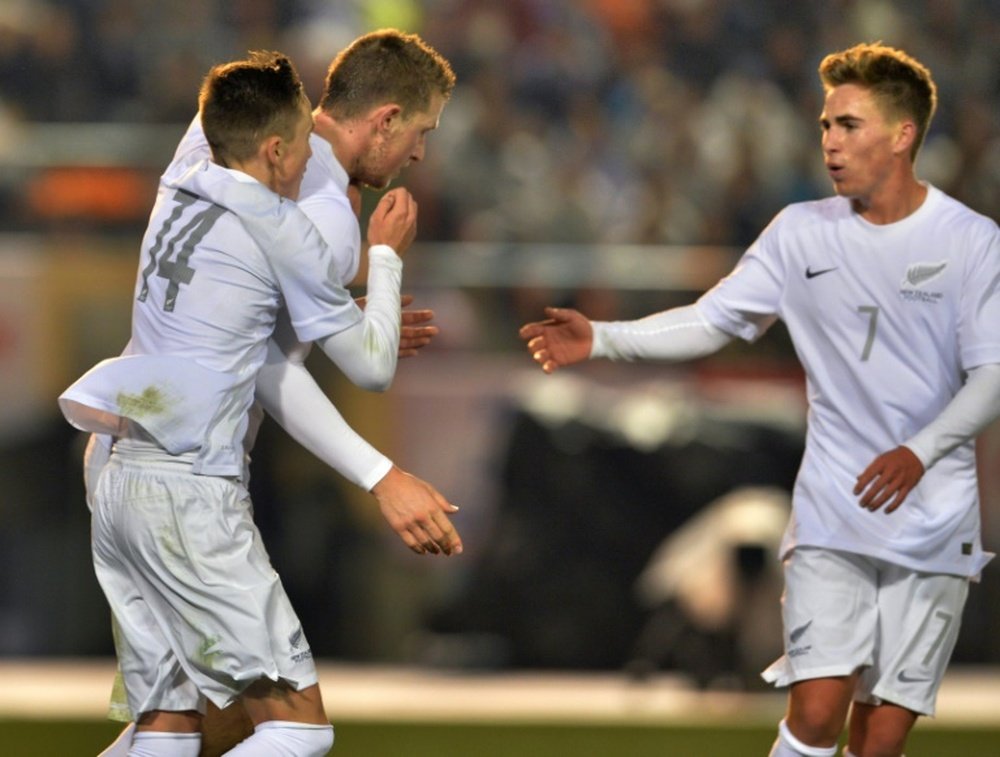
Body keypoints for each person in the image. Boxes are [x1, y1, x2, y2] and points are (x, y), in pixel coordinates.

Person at [519, 42, 1000, 757]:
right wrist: (606, 339)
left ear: (903, 136)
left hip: (934, 520)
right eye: (826, 125)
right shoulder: (799, 232)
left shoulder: (969, 240)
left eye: (850, 125)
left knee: (881, 740)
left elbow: (992, 374)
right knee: (815, 712)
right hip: (835, 513)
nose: (831, 143)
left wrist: (919, 452)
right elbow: (712, 319)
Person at [59, 49, 459, 757]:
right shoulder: (320, 219)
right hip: (187, 483)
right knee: (295, 728)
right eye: (421, 130)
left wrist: (350, 312)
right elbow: (284, 367)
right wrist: (380, 472)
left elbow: (247, 316)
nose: (421, 152)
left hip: (117, 456)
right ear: (386, 119)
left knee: (177, 724)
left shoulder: (197, 152)